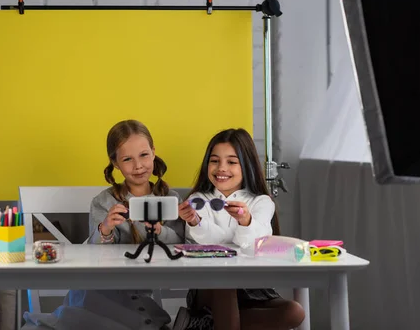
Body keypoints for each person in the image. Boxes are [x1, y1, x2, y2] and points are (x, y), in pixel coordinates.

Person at [22, 119, 185, 330]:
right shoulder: (103, 202)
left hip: (137, 294)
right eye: (127, 159)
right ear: (116, 163)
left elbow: (181, 245)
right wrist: (105, 228)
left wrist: (160, 230)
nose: (138, 166)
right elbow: (94, 255)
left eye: (144, 155)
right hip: (100, 288)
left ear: (153, 152)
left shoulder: (170, 199)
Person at [173, 128, 305, 330]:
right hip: (210, 287)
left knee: (295, 312)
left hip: (253, 287)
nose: (221, 168)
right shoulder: (197, 200)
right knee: (224, 278)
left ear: (247, 166)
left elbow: (256, 245)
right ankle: (217, 322)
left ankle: (203, 325)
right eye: (215, 161)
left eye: (232, 162)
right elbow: (207, 244)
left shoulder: (261, 202)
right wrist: (195, 222)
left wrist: (246, 222)